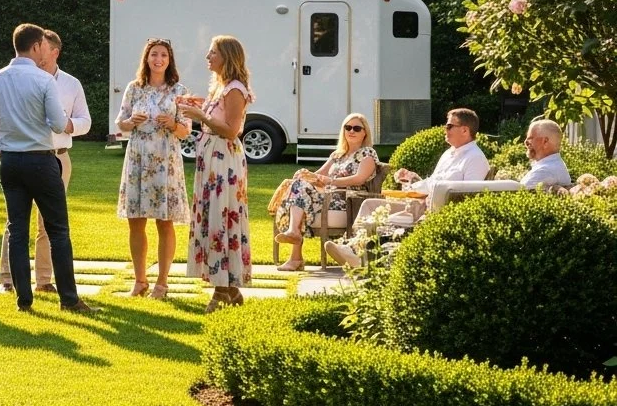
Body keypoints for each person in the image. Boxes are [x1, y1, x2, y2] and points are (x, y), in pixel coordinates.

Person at [0, 23, 98, 314]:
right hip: (41, 160)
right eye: (44, 45)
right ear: (35, 47)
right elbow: (59, 124)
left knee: (17, 230)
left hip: (10, 162)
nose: (47, 50)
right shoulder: (44, 81)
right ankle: (69, 299)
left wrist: (0, 151)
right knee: (58, 230)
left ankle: (24, 300)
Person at [325, 108, 490, 268]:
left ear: (465, 130)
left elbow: (468, 195)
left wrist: (423, 196)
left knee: (386, 216)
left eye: (449, 126)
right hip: (419, 202)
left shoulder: (475, 158)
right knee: (370, 204)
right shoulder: (449, 154)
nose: (444, 129)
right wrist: (412, 179)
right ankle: (353, 246)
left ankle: (359, 253)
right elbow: (433, 181)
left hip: (434, 210)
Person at [0, 30, 91, 294]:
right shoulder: (19, 80)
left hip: (58, 157)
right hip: (23, 156)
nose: (38, 54)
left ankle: (43, 280)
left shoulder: (71, 84)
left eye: (43, 49)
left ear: (54, 52)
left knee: (49, 223)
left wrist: (68, 125)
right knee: (16, 221)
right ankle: (9, 278)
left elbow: (85, 120)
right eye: (36, 48)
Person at [179, 35, 253, 313]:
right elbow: (215, 120)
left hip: (224, 158)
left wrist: (201, 116)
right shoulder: (219, 87)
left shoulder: (235, 88)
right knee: (211, 216)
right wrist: (200, 107)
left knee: (221, 217)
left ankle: (222, 290)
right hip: (211, 157)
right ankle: (230, 289)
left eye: (212, 53)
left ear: (227, 56)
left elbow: (231, 129)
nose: (207, 57)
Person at [116, 38, 192, 299]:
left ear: (169, 60)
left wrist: (172, 123)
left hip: (165, 162)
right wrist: (130, 121)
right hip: (138, 159)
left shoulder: (179, 91)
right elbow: (120, 124)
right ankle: (139, 281)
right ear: (146, 59)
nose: (158, 59)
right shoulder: (134, 88)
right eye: (154, 55)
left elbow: (185, 132)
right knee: (135, 222)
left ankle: (162, 283)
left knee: (164, 221)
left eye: (163, 55)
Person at [271, 113, 378, 271]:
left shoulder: (367, 154)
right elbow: (320, 175)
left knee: (299, 198)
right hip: (326, 196)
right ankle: (294, 235)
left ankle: (295, 255)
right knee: (299, 187)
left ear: (365, 133)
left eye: (356, 128)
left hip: (347, 200)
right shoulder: (337, 155)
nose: (351, 131)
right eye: (347, 127)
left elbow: (359, 179)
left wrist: (331, 182)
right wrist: (305, 174)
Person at [519, 118, 570, 189]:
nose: (526, 142)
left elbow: (518, 193)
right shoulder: (552, 165)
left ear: (545, 142)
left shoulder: (544, 171)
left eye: (530, 138)